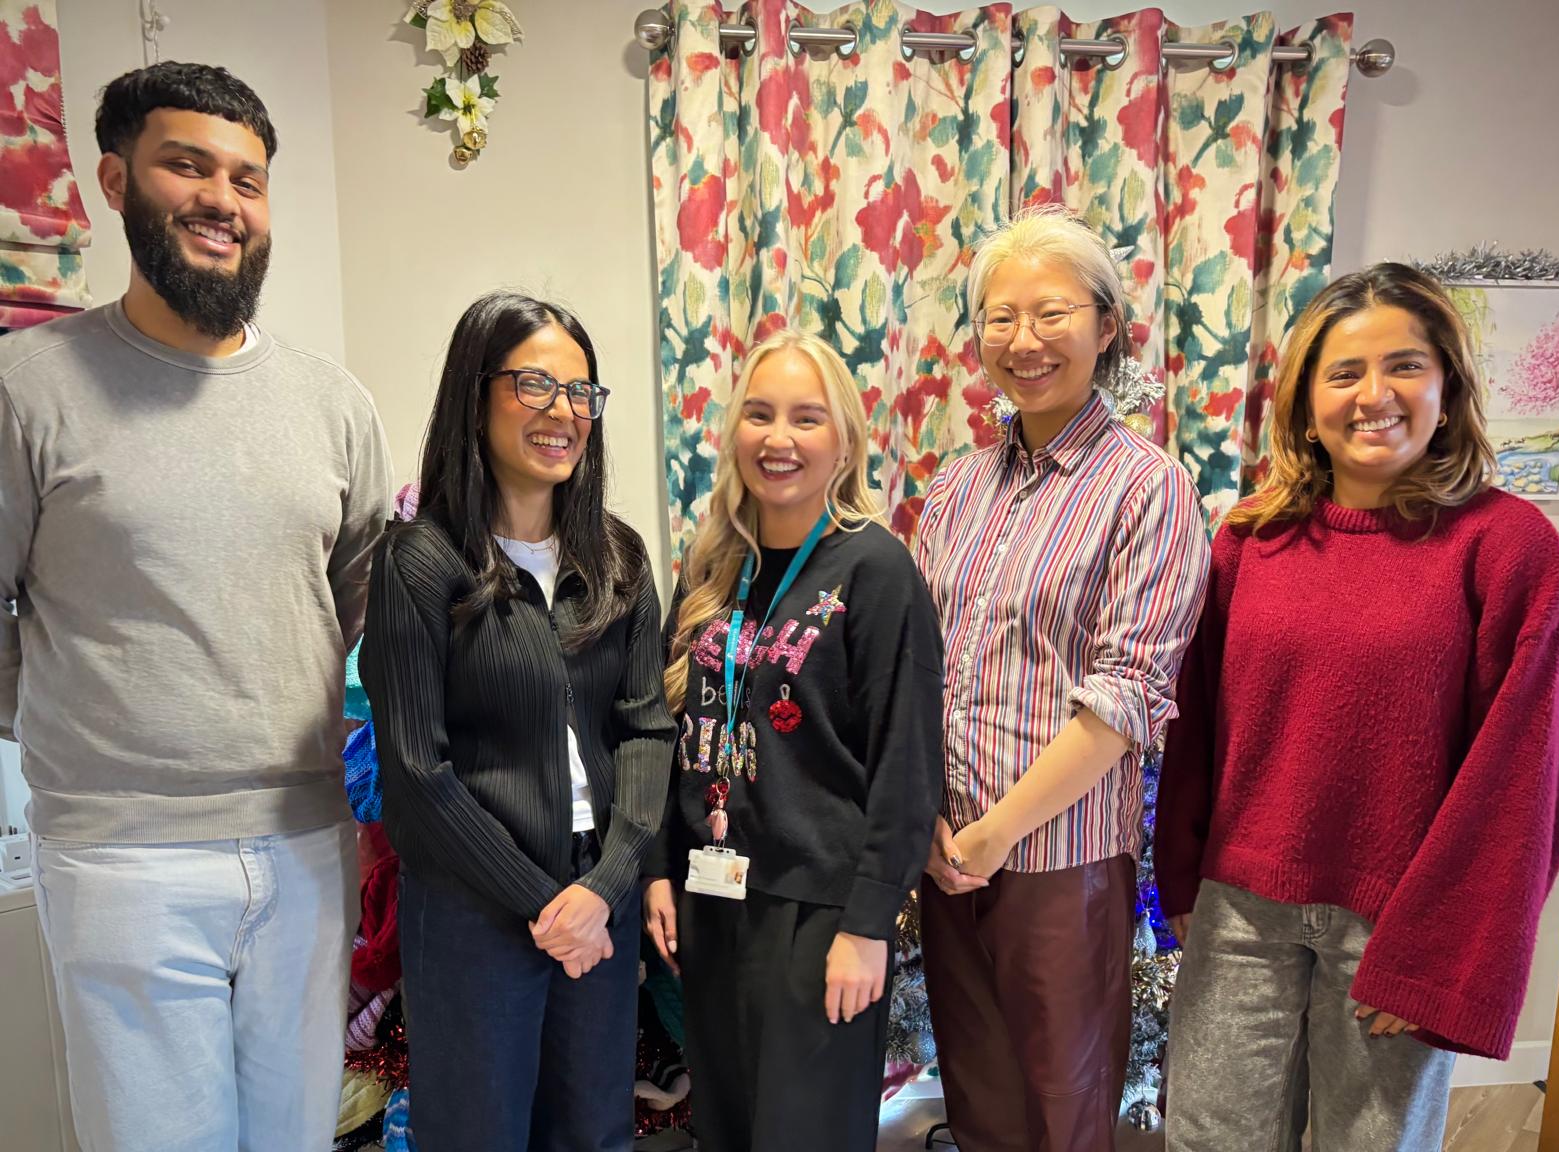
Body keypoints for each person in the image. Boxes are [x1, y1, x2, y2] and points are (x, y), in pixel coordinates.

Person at [0, 62, 391, 1150]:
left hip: (310, 845)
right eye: (188, 165)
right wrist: (78, 723)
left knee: (297, 1137)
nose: (223, 198)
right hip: (126, 857)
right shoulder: (29, 386)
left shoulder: (332, 403)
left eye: (248, 179)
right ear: (115, 180)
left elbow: (368, 616)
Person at [1155, 263, 1559, 1152]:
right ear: (1307, 401)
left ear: (1447, 387)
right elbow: (1196, 724)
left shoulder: (1507, 548)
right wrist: (1182, 880)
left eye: (1404, 366)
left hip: (1398, 924)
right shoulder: (1251, 539)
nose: (1374, 395)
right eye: (1344, 372)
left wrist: (1443, 953)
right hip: (1242, 911)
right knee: (1208, 1139)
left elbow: (1532, 768)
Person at [914, 204, 1209, 1152]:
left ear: (1107, 326)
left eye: (1053, 314)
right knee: (977, 1097)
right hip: (949, 849)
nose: (1024, 341)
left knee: (1062, 1108)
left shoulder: (1146, 486)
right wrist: (931, 825)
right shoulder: (957, 486)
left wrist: (995, 834)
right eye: (1000, 317)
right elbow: (917, 663)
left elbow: (1128, 695)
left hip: (1062, 857)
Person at [361, 291, 675, 1151]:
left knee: (593, 1134)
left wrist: (602, 889)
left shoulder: (618, 558)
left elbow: (646, 731)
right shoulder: (420, 563)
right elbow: (418, 777)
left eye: (580, 393)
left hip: (594, 893)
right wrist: (547, 905)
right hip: (474, 909)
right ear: (476, 393)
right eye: (534, 384)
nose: (562, 412)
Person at [642, 328, 943, 1152]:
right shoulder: (712, 565)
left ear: (843, 440)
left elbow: (907, 766)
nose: (779, 440)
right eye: (760, 415)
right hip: (713, 899)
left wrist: (868, 926)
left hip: (820, 914)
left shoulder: (875, 570)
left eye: (806, 419)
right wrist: (662, 871)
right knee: (730, 1130)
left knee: (803, 1135)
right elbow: (672, 734)